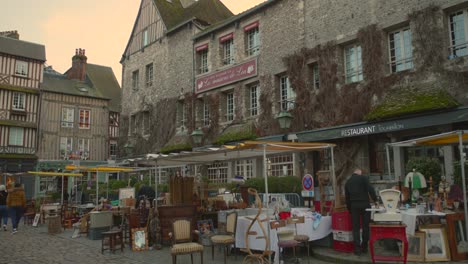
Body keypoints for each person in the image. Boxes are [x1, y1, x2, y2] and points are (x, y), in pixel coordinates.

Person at [345, 168, 377, 256]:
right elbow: (370, 189)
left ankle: (357, 249)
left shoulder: (348, 182)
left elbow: (347, 198)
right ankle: (364, 247)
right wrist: (375, 200)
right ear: (359, 173)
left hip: (354, 206)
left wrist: (349, 209)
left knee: (356, 228)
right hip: (365, 205)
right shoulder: (363, 178)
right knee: (365, 227)